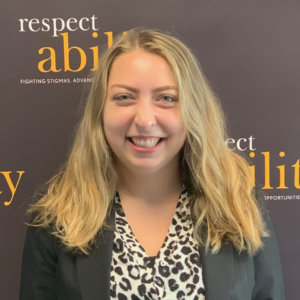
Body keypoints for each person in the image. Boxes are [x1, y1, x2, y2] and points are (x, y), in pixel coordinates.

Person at [19, 28, 284, 300]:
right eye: (124, 97)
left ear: (192, 110)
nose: (145, 119)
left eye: (166, 98)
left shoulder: (238, 203)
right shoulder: (56, 216)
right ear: (100, 110)